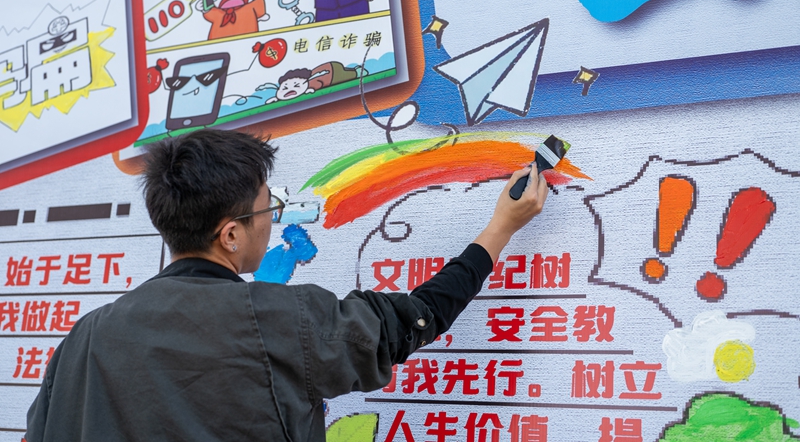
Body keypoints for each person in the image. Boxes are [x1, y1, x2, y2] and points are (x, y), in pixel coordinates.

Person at [25, 129, 549, 441]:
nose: (272, 220)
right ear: (230, 235)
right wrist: (500, 228)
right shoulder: (281, 319)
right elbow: (416, 318)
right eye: (266, 209)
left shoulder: (84, 337)